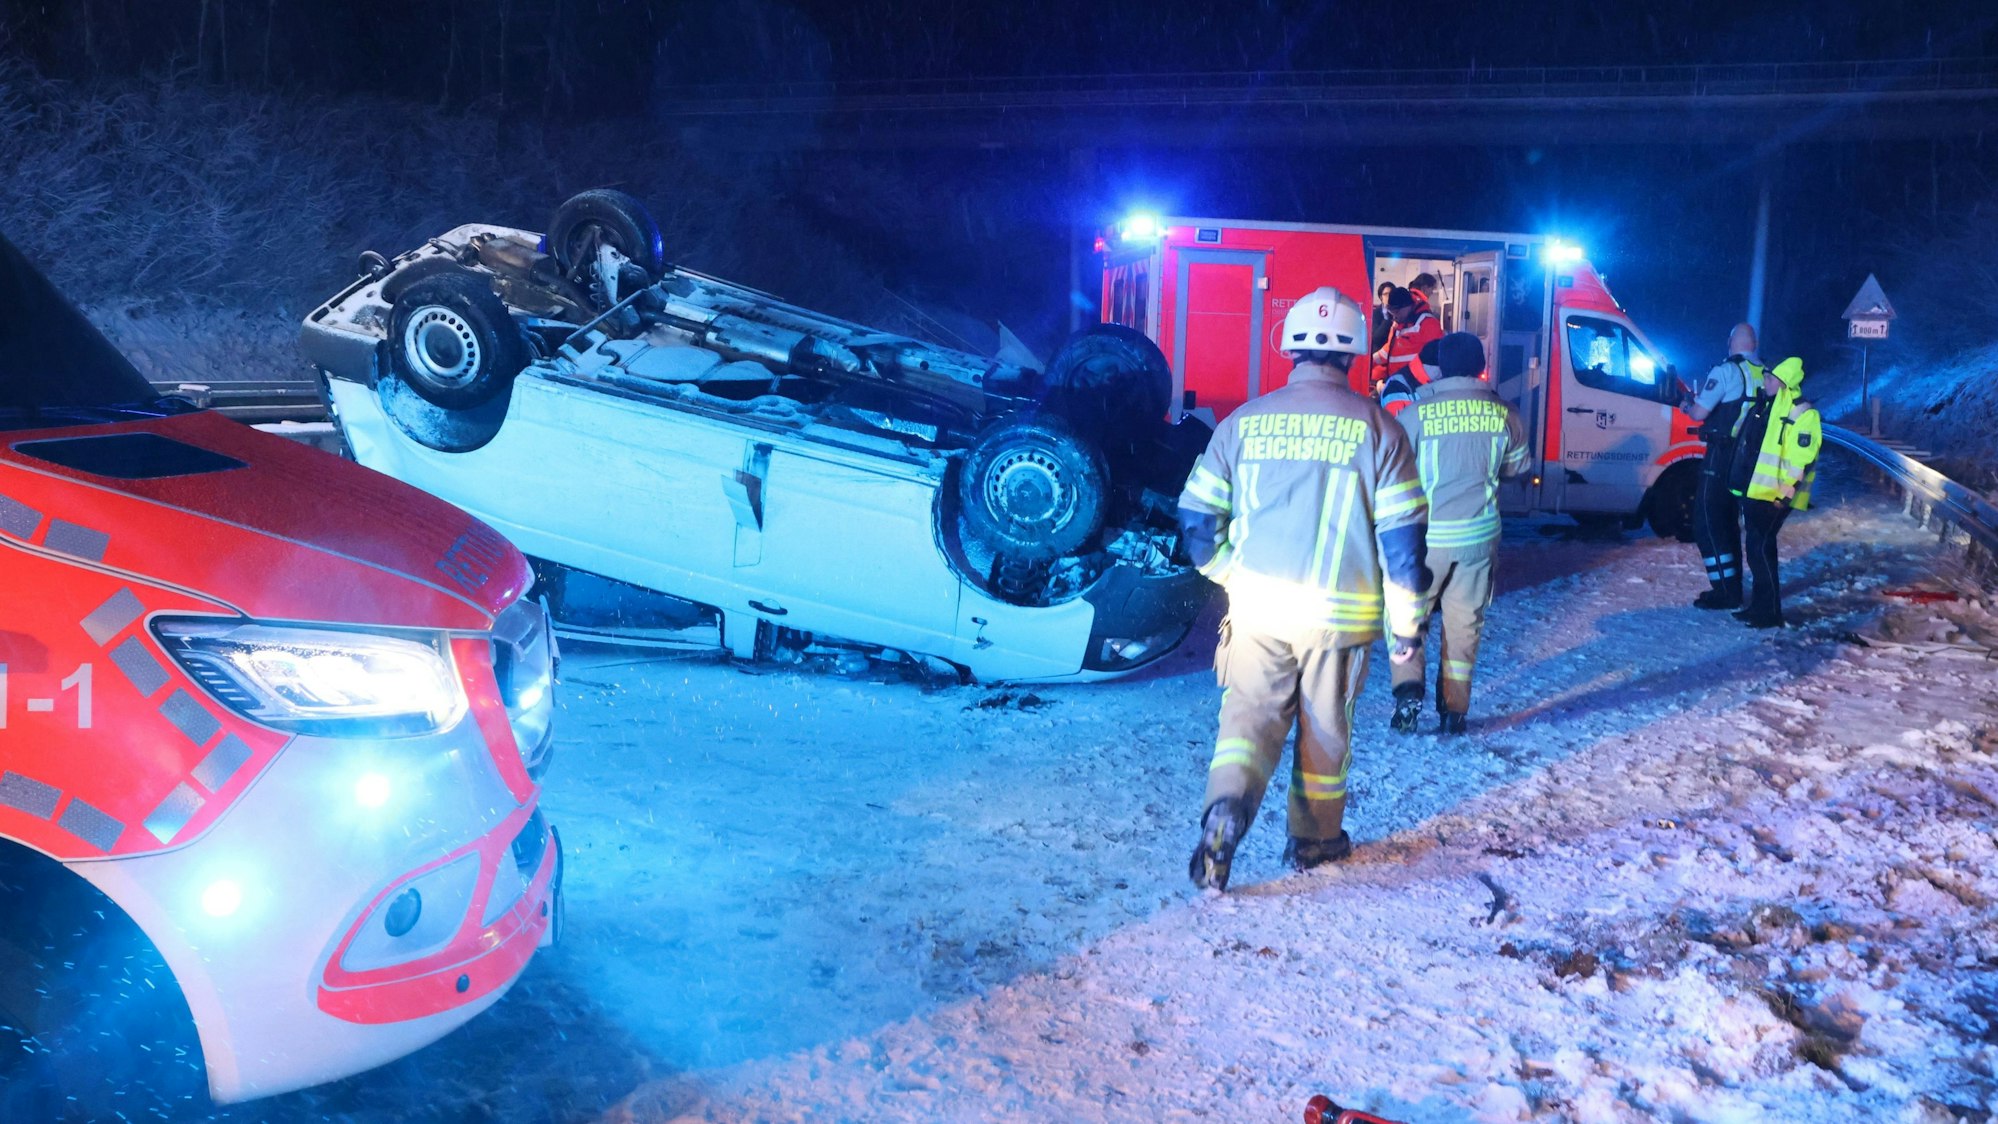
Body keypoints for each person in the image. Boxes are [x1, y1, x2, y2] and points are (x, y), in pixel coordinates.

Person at [1178, 286, 1430, 891]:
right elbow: (1403, 550)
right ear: (1355, 351)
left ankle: (1225, 811)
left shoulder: (1243, 422)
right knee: (1324, 735)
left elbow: (1195, 520)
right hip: (1336, 622)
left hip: (1259, 608)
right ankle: (1315, 842)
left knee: (1246, 721)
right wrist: (1406, 633)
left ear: (1290, 346)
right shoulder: (1381, 430)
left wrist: (1228, 573)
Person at [1388, 332, 1531, 736]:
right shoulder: (1506, 414)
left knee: (1406, 619)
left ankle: (1407, 695)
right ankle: (1454, 711)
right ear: (1481, 365)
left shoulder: (1415, 414)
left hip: (1424, 542)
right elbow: (1517, 470)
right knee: (1464, 626)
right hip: (1478, 541)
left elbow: (1395, 473)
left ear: (1440, 369)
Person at [1727, 356, 1820, 629]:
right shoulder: (1772, 407)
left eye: (1770, 379)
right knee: (1756, 550)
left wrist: (1783, 496)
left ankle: (1769, 613)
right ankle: (1759, 607)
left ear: (1783, 383)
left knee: (1762, 550)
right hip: (1760, 492)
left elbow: (1799, 461)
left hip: (1774, 497)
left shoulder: (1801, 413)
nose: (1765, 382)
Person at [1681, 323, 1764, 610]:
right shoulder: (1765, 373)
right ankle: (1733, 587)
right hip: (1749, 460)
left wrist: (1687, 406)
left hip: (1721, 456)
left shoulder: (1726, 371)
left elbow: (1699, 413)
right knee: (1729, 522)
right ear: (1754, 344)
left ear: (1731, 342)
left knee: (1708, 523)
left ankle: (1725, 591)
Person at [1373, 286, 1442, 414]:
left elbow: (1435, 360)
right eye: (1391, 311)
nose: (1395, 315)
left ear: (1408, 306)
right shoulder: (1398, 324)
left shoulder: (1427, 324)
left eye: (1397, 311)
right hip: (1397, 384)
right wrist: (1368, 361)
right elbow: (1388, 351)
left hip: (1417, 389)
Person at [1370, 280, 1397, 359]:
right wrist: (1386, 318)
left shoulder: (1398, 310)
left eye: (1391, 294)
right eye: (1386, 294)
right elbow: (1376, 337)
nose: (1389, 297)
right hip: (1378, 353)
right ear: (1381, 297)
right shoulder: (1375, 313)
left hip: (1394, 353)